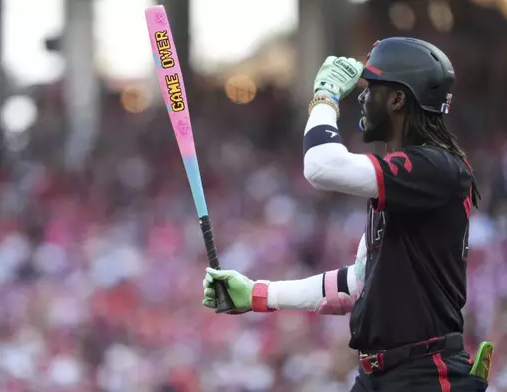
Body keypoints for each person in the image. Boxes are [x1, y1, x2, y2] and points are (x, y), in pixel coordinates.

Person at [202, 37, 491, 391]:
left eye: (371, 88)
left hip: (424, 375)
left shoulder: (436, 168)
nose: (362, 97)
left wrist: (324, 96)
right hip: (381, 375)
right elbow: (358, 282)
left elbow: (321, 166)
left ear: (398, 99)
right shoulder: (410, 181)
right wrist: (258, 293)